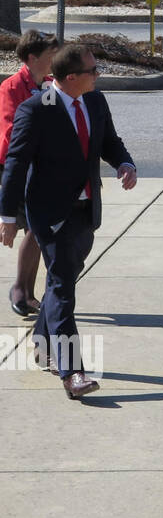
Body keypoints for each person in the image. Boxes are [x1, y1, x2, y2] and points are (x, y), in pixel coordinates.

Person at [0, 44, 137, 398]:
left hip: (86, 211)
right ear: (71, 78)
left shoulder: (94, 101)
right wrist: (7, 215)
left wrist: (125, 163)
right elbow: (15, 164)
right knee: (62, 288)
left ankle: (44, 341)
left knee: (64, 281)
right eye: (93, 71)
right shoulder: (36, 109)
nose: (98, 75)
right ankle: (72, 372)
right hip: (50, 214)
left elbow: (109, 141)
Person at [0, 30, 60, 315]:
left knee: (37, 231)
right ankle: (20, 291)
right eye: (51, 55)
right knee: (35, 229)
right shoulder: (12, 87)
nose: (55, 60)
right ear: (33, 58)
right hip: (19, 169)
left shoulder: (50, 86)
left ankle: (28, 291)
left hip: (43, 170)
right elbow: (10, 132)